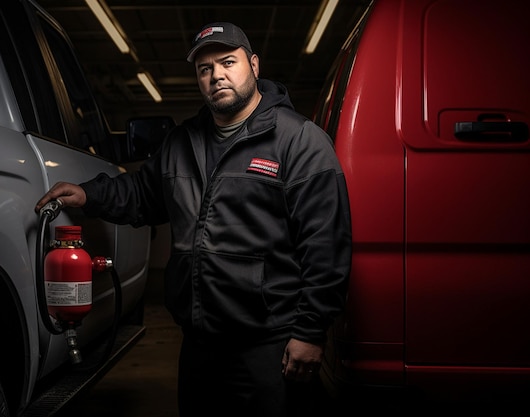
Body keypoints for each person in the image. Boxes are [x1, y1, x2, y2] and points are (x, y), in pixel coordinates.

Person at [35, 21, 351, 417]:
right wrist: (89, 194)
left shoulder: (299, 140)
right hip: (200, 343)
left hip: (270, 343)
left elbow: (327, 245)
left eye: (228, 62)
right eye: (205, 68)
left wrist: (309, 331)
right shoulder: (181, 143)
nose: (216, 75)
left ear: (254, 65)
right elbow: (142, 195)